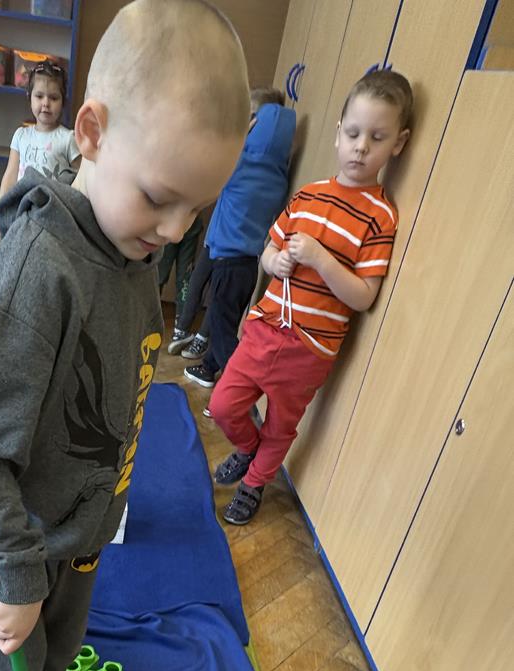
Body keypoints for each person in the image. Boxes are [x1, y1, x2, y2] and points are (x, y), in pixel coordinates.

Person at [0, 0, 250, 671]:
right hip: (15, 534)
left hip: (82, 523)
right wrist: (14, 576)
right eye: (161, 198)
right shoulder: (34, 278)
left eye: (196, 210)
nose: (175, 230)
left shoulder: (132, 242)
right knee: (10, 657)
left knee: (59, 645)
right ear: (90, 132)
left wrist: (98, 513)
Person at [210, 69, 413, 525]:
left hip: (310, 349)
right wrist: (274, 262)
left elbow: (363, 296)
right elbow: (268, 250)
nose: (361, 147)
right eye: (354, 133)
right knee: (223, 405)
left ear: (398, 144)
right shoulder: (308, 195)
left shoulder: (381, 216)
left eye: (377, 137)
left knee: (281, 425)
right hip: (265, 329)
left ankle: (254, 483)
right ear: (338, 134)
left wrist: (321, 259)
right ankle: (248, 448)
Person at [173, 87, 296, 386]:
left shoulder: (239, 165)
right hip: (248, 266)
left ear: (256, 125)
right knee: (225, 323)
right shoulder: (278, 175)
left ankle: (237, 387)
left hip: (227, 265)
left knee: (222, 330)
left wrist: (236, 137)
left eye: (248, 117)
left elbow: (208, 156)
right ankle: (208, 368)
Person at [0, 59, 80, 229]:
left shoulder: (68, 138)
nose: (46, 103)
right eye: (39, 96)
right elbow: (10, 174)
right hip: (22, 212)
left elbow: (80, 179)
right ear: (30, 97)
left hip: (54, 216)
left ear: (63, 101)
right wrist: (0, 209)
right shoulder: (21, 135)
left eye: (53, 98)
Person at [158, 212, 205, 331]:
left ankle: (179, 325)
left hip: (174, 221)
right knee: (181, 277)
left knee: (163, 275)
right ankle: (180, 327)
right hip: (187, 220)